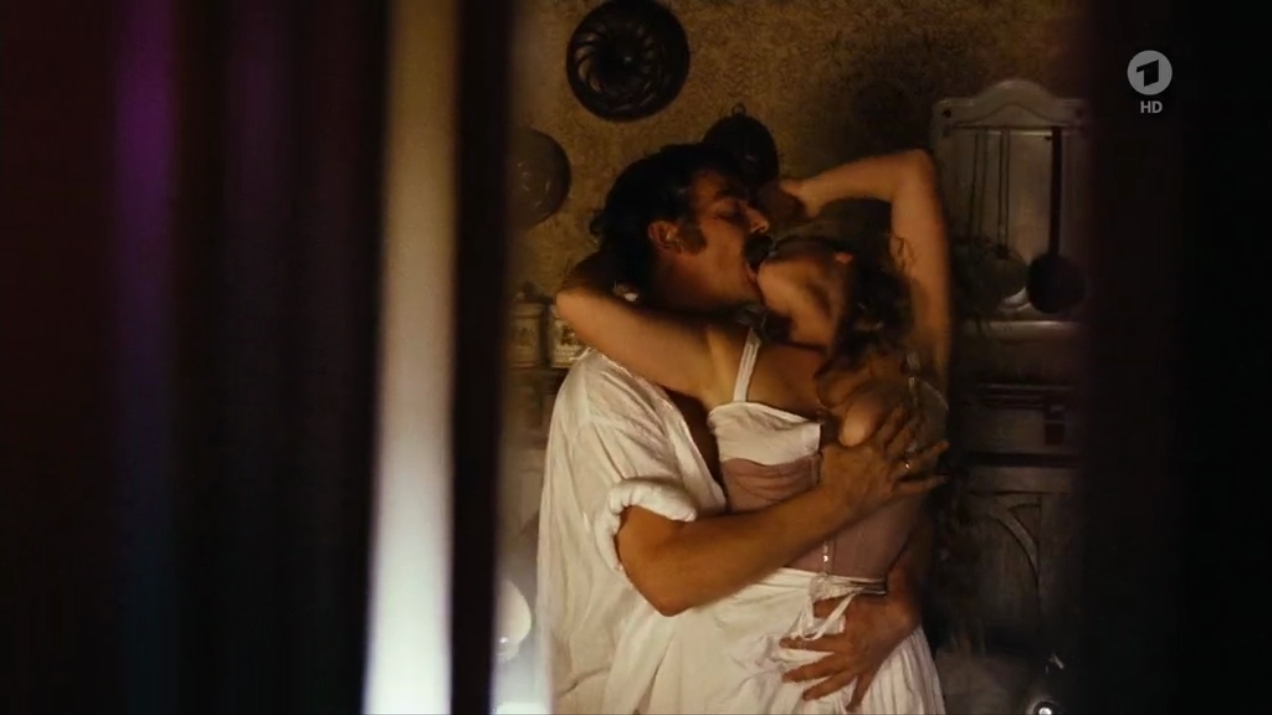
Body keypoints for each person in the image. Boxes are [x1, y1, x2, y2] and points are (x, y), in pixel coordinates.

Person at [536, 143, 951, 713]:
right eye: (734, 210)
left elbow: (913, 494)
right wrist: (842, 499)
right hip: (677, 677)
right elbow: (671, 578)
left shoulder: (765, 349)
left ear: (845, 259)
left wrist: (903, 596)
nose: (761, 224)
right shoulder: (622, 385)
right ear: (670, 236)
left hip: (867, 660)